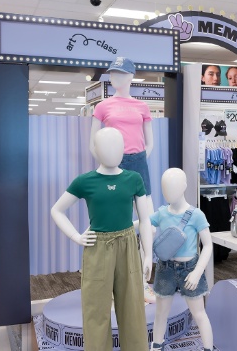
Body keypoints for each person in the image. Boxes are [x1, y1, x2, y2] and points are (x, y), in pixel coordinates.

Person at [51, 127, 153, 351]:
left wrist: (148, 255)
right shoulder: (85, 181)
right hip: (97, 248)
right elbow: (57, 210)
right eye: (106, 146)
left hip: (128, 247)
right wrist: (76, 236)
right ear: (95, 150)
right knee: (95, 310)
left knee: (133, 310)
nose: (113, 151)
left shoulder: (133, 179)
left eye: (117, 146)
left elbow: (145, 220)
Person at [90, 57, 157, 303]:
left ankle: (142, 282)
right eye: (112, 73)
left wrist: (138, 158)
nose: (115, 78)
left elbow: (149, 142)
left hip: (138, 163)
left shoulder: (142, 106)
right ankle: (111, 287)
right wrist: (109, 163)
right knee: (115, 225)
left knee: (149, 224)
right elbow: (93, 143)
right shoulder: (103, 106)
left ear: (131, 76)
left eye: (120, 73)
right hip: (112, 164)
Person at [150, 168, 213, 351]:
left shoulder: (196, 215)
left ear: (184, 186)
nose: (167, 191)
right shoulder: (161, 213)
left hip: (190, 269)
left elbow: (208, 245)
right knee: (160, 313)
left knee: (199, 314)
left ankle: (208, 348)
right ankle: (156, 346)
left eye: (172, 186)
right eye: (164, 187)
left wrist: (197, 272)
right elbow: (145, 223)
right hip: (165, 268)